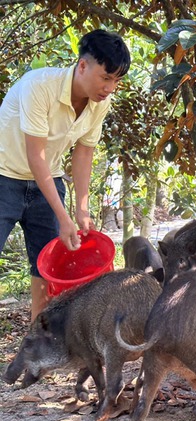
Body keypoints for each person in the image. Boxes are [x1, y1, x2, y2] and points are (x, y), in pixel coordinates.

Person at [0, 29, 131, 322]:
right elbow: (37, 156)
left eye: (116, 81)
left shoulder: (100, 103)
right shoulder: (39, 86)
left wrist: (81, 210)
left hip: (48, 181)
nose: (110, 87)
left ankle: (34, 353)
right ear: (82, 66)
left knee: (46, 275)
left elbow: (84, 152)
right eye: (105, 77)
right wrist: (63, 217)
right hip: (4, 177)